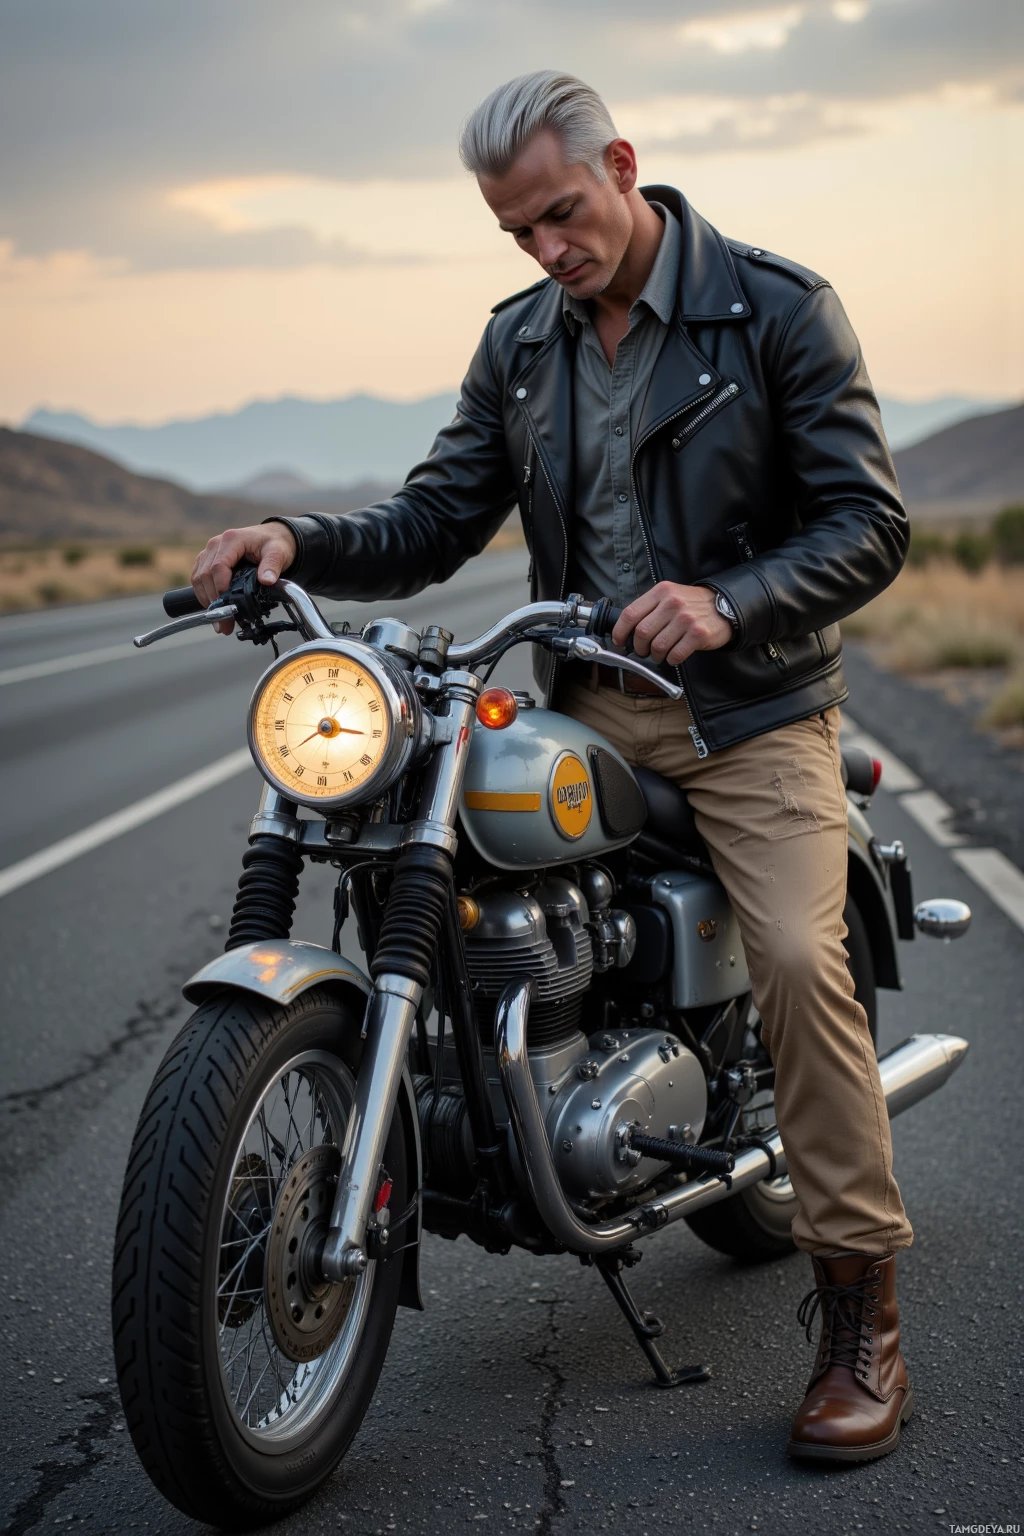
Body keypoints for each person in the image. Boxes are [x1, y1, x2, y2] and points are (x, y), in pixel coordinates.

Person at [191, 71, 914, 1463]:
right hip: (587, 702)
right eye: (516, 232)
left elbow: (866, 524)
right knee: (434, 875)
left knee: (796, 957)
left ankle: (861, 1312)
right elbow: (440, 511)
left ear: (622, 166)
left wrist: (730, 599)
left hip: (747, 714)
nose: (545, 250)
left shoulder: (773, 307)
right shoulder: (524, 342)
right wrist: (295, 539)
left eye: (561, 218)